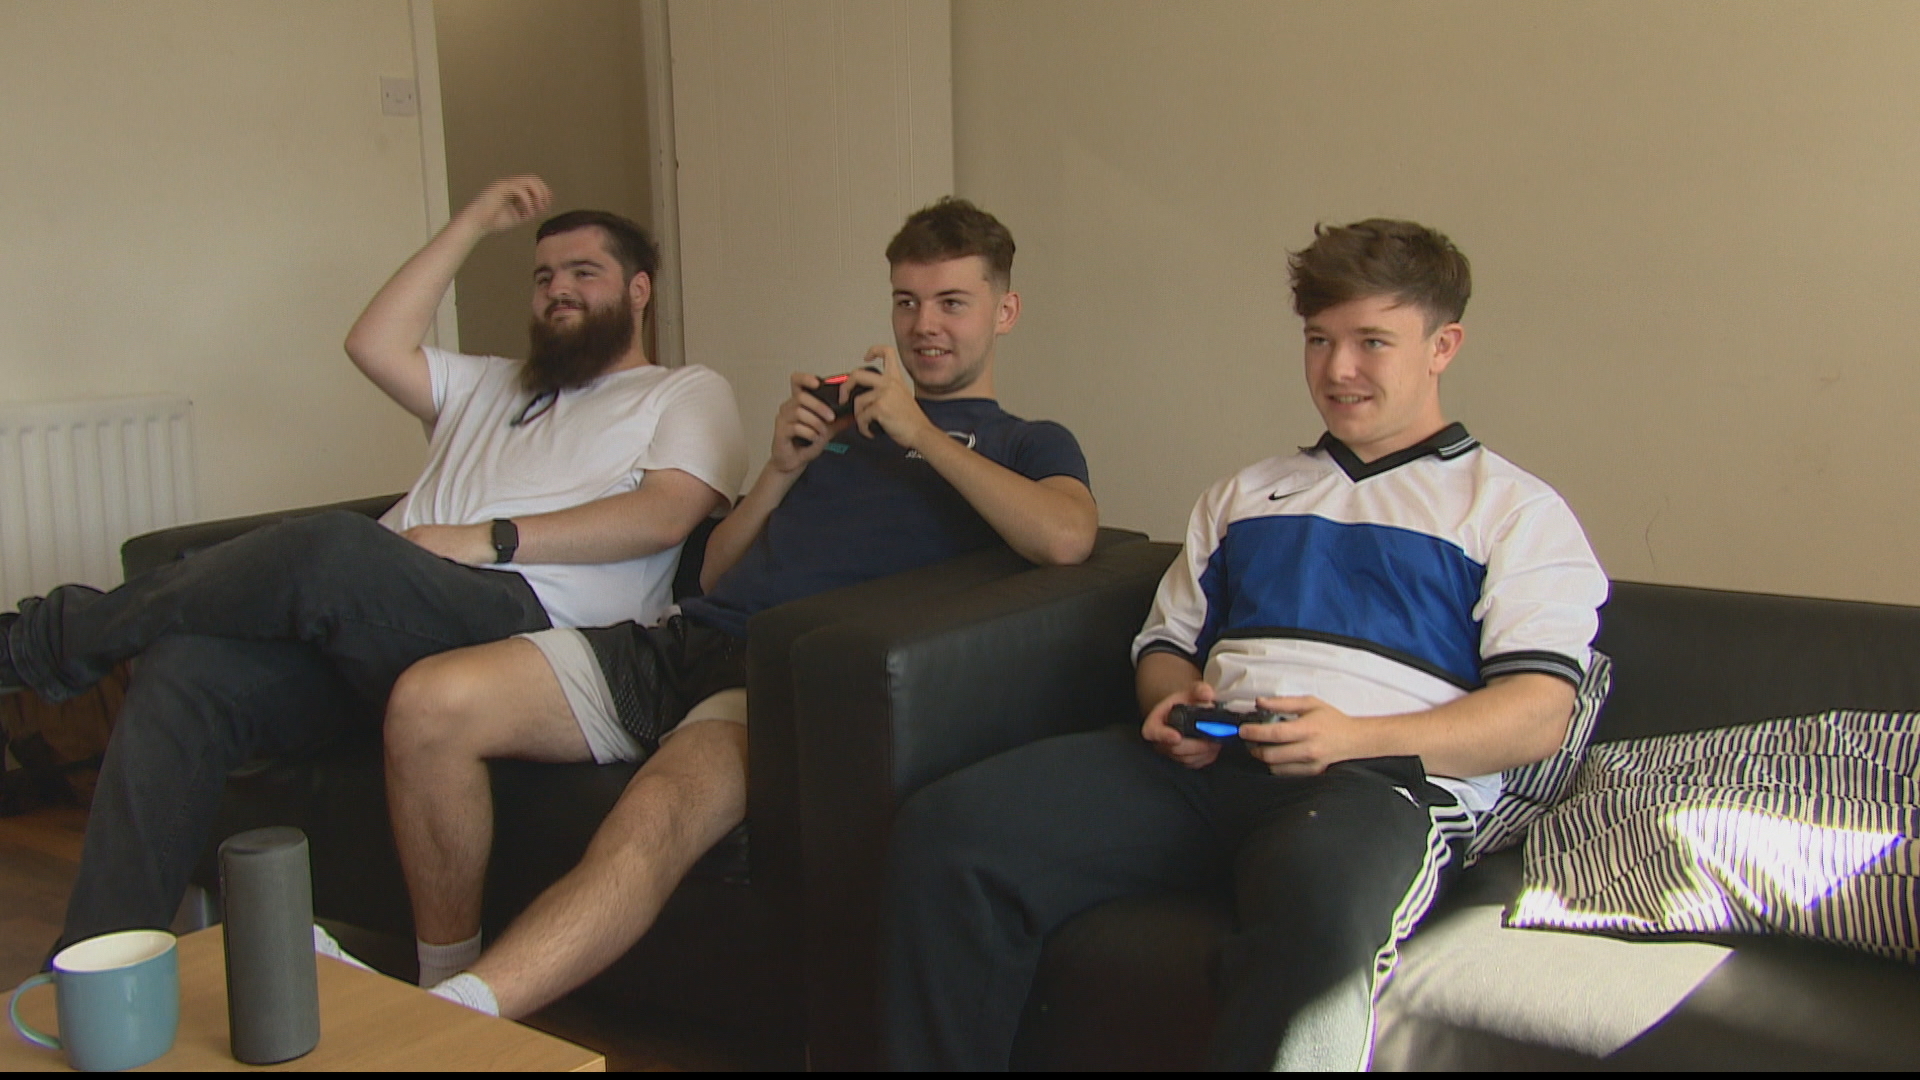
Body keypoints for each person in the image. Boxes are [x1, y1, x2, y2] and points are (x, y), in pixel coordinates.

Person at [883, 219, 1609, 1070]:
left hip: (1372, 786)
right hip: (1203, 764)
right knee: (949, 831)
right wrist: (1171, 703)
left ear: (1442, 346)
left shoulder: (1514, 510)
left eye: (1372, 342)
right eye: (1319, 340)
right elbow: (1165, 644)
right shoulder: (1247, 494)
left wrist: (1352, 738)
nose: (1338, 369)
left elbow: (1536, 716)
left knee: (1319, 922)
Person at [381, 196, 1100, 1020]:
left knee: (653, 819)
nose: (924, 325)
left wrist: (921, 434)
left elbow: (1067, 537)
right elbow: (715, 573)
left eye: (952, 303)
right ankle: (441, 973)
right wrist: (782, 469)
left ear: (1004, 311)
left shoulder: (1025, 440)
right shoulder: (843, 432)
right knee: (426, 705)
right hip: (683, 640)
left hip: (773, 682)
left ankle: (452, 1024)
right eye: (907, 301)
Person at [1, 175, 746, 954]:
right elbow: (372, 342)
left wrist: (491, 539)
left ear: (637, 291)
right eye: (543, 276)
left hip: (528, 619)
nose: (557, 289)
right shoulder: (494, 383)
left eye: (582, 273)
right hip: (385, 615)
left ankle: (43, 643)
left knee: (330, 547)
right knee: (185, 671)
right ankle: (102, 963)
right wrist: (472, 222)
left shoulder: (682, 392)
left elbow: (665, 514)